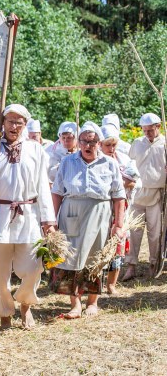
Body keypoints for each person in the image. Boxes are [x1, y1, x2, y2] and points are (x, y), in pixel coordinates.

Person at [0, 104, 56, 329]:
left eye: (19, 122)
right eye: (10, 121)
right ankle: (5, 313)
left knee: (33, 267)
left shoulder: (36, 150)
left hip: (28, 216)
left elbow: (43, 187)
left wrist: (48, 220)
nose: (14, 126)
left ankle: (25, 305)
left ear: (25, 125)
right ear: (3, 123)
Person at [50, 122, 125, 318]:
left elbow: (119, 196)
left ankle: (92, 302)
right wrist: (52, 220)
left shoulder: (110, 164)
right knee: (71, 257)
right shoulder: (68, 162)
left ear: (99, 143)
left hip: (99, 214)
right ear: (79, 141)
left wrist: (118, 225)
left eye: (93, 142)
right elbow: (57, 192)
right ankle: (75, 303)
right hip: (72, 213)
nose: (88, 145)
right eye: (84, 141)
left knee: (95, 258)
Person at [122, 113, 166, 281]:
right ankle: (131, 266)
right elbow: (129, 166)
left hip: (157, 194)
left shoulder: (164, 144)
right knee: (134, 231)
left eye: (150, 130)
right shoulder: (137, 143)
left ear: (158, 127)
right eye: (145, 130)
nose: (147, 133)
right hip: (137, 194)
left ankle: (154, 265)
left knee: (155, 233)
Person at [100, 124, 141, 294]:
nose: (111, 148)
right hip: (100, 208)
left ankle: (111, 284)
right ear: (100, 145)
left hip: (120, 207)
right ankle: (97, 283)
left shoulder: (124, 159)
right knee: (99, 245)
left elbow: (134, 181)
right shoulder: (96, 160)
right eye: (107, 145)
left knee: (117, 242)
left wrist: (120, 185)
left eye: (113, 145)